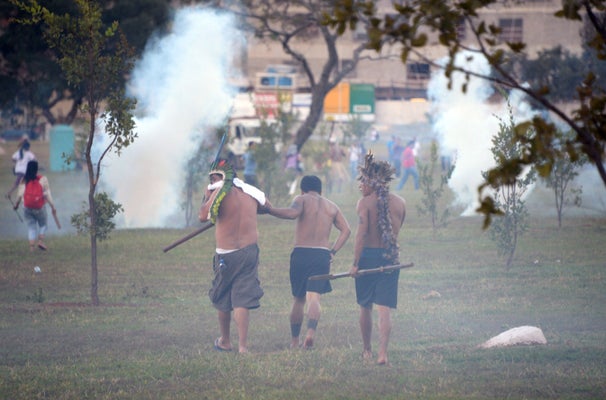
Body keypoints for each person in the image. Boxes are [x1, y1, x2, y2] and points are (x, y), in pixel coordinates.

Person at [265, 175, 351, 349]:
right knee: (314, 298)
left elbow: (292, 214)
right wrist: (332, 251)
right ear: (320, 190)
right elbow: (346, 230)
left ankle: (295, 340)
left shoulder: (301, 199)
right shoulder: (332, 206)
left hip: (301, 253)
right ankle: (310, 334)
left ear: (303, 190)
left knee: (298, 298)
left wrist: (269, 209)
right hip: (321, 255)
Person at [199, 158, 268, 354]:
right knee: (241, 298)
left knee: (223, 297)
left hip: (226, 255)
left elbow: (203, 216)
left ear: (217, 178)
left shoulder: (218, 194)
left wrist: (208, 196)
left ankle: (226, 341)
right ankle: (243, 346)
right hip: (249, 251)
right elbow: (266, 206)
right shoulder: (249, 192)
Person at [350, 152, 406, 365]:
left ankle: (367, 350)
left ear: (373, 181)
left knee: (365, 306)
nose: (360, 185)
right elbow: (397, 231)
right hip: (391, 257)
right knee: (384, 309)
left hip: (368, 257)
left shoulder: (364, 204)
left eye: (363, 181)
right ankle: (383, 353)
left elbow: (361, 234)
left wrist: (355, 263)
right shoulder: (400, 203)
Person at [12, 160, 57, 252]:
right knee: (43, 224)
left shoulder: (24, 180)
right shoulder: (42, 179)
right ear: (37, 169)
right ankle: (40, 241)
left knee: (31, 227)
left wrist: (16, 205)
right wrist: (52, 206)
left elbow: (20, 195)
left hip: (26, 207)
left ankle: (31, 248)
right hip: (39, 207)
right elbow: (47, 194)